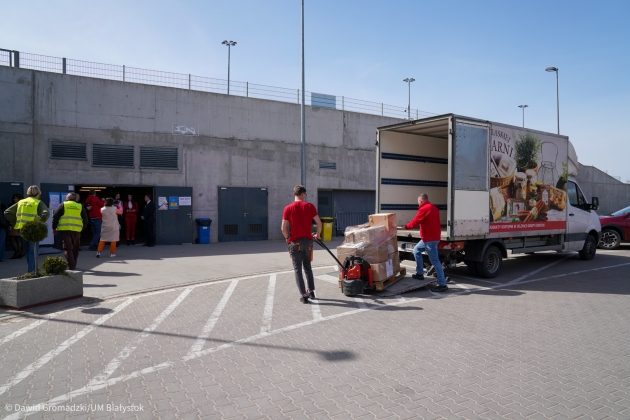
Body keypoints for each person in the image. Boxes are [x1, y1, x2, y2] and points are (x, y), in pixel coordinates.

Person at [281, 185, 322, 304]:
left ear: (294, 194)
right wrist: (318, 235)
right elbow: (319, 223)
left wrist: (288, 238)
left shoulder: (288, 208)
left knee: (298, 270)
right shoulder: (309, 206)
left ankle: (304, 295)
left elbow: (283, 228)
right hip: (308, 242)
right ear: (303, 193)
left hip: (295, 243)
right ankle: (312, 291)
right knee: (308, 267)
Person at [403, 193, 448, 292]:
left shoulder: (424, 208)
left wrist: (406, 226)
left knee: (435, 261)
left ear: (421, 201)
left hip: (430, 239)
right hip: (430, 238)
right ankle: (419, 274)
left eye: (418, 202)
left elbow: (415, 221)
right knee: (416, 251)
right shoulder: (434, 208)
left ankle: (442, 284)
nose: (418, 204)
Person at [3, 185, 50, 273]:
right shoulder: (38, 202)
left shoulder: (21, 202)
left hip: (22, 229)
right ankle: (32, 271)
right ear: (38, 193)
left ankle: (31, 270)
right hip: (34, 229)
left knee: (28, 249)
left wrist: (15, 222)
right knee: (33, 250)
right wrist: (39, 221)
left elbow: (7, 212)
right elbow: (46, 214)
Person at [52, 192, 88, 269]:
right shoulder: (80, 206)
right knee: (75, 248)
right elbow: (85, 219)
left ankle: (72, 266)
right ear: (75, 199)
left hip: (65, 230)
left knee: (68, 248)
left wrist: (54, 228)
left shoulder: (63, 205)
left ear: (67, 198)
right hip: (77, 231)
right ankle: (73, 264)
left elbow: (55, 217)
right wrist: (82, 228)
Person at [7, 193, 25, 259]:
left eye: (16, 198)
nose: (15, 199)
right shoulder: (11, 205)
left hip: (19, 224)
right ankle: (17, 252)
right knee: (13, 238)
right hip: (12, 224)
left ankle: (18, 253)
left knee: (18, 238)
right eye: (14, 198)